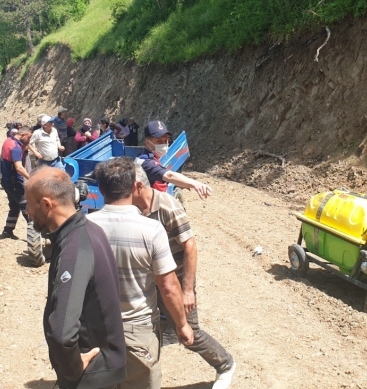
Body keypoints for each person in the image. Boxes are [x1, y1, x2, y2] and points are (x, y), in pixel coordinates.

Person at [87, 157, 194, 389]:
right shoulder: (152, 229)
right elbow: (168, 286)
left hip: (97, 330)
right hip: (138, 332)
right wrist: (182, 324)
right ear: (132, 187)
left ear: (101, 188)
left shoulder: (85, 227)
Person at [133, 165, 237, 388]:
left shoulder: (167, 207)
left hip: (177, 278)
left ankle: (225, 364)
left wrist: (187, 290)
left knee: (190, 334)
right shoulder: (132, 208)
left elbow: (190, 246)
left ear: (138, 187)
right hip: (154, 278)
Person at [25, 167, 127, 389]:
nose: (27, 211)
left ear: (46, 204)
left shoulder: (74, 248)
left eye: (29, 204)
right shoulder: (90, 231)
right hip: (101, 369)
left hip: (92, 375)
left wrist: (73, 368)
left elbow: (62, 332)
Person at [136, 120, 212, 199]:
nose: (163, 144)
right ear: (148, 143)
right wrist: (195, 184)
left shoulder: (153, 158)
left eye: (165, 141)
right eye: (159, 141)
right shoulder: (146, 163)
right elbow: (169, 175)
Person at [0, 127, 32, 239]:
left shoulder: (8, 141)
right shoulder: (15, 148)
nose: (29, 140)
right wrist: (31, 178)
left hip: (5, 180)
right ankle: (35, 233)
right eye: (28, 137)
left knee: (14, 206)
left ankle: (7, 230)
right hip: (14, 182)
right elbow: (19, 168)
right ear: (22, 135)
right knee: (26, 206)